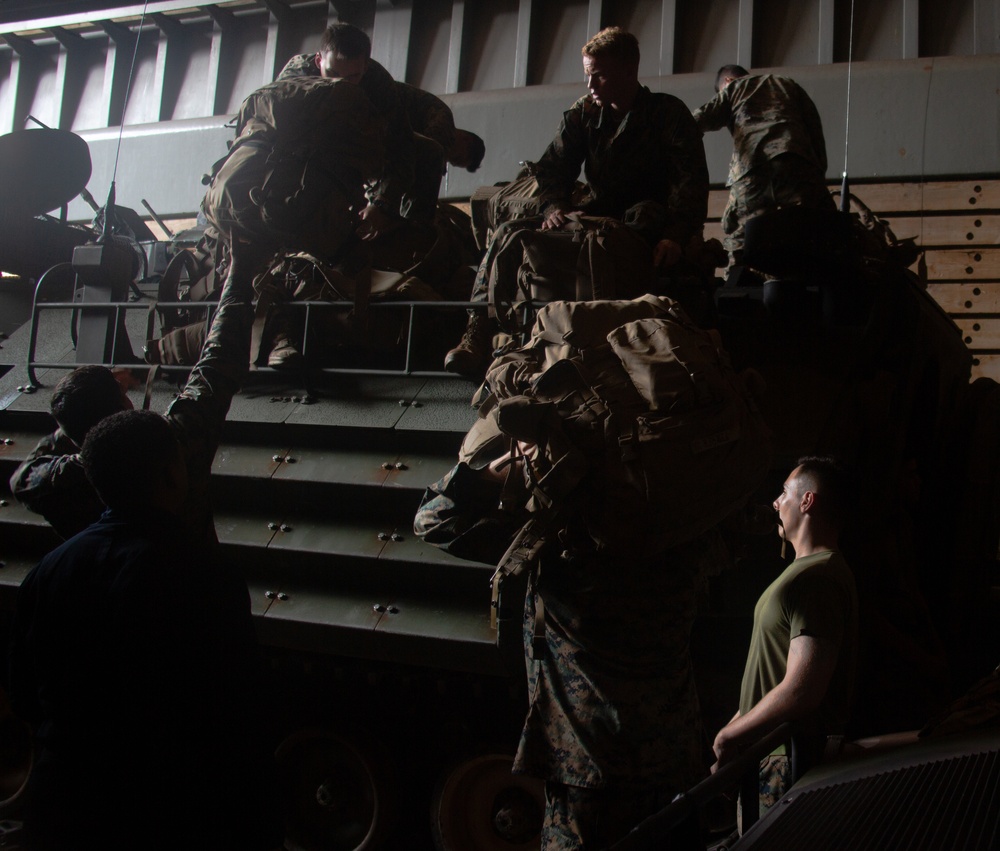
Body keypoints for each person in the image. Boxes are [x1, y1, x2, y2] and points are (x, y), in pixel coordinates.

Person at [8, 250, 282, 849]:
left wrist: (78, 420)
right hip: (177, 770)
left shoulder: (59, 511)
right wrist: (238, 275)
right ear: (168, 476)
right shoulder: (175, 457)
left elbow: (25, 476)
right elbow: (218, 363)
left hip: (80, 784)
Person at [444, 26, 709, 378]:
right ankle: (477, 332)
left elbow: (689, 181)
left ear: (629, 71)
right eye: (587, 75)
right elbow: (552, 170)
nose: (591, 85)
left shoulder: (667, 114)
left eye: (599, 75)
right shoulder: (583, 115)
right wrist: (555, 207)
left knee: (635, 225)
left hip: (649, 217)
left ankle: (611, 337)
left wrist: (675, 235)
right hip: (596, 213)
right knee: (509, 231)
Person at [712, 456, 859, 823]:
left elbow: (801, 689)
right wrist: (736, 729)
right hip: (768, 756)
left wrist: (728, 739)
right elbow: (773, 676)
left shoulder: (818, 579)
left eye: (784, 493)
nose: (776, 503)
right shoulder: (804, 573)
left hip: (787, 764)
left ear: (807, 501)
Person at [277, 23, 441, 234]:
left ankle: (411, 239)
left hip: (361, 147)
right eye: (332, 73)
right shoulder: (295, 80)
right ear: (319, 60)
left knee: (428, 152)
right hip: (309, 158)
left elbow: (402, 146)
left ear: (365, 67)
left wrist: (380, 204)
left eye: (351, 77)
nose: (340, 84)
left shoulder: (377, 83)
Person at [692, 65, 836, 266]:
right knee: (806, 235)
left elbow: (694, 121)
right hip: (798, 169)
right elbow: (816, 135)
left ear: (727, 81)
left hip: (753, 174)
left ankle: (736, 285)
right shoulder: (787, 84)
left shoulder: (734, 87)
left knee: (741, 238)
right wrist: (815, 177)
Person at [9, 365, 132, 539]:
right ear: (121, 411)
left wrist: (73, 413)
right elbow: (181, 414)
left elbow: (21, 480)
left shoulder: (54, 480)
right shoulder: (141, 458)